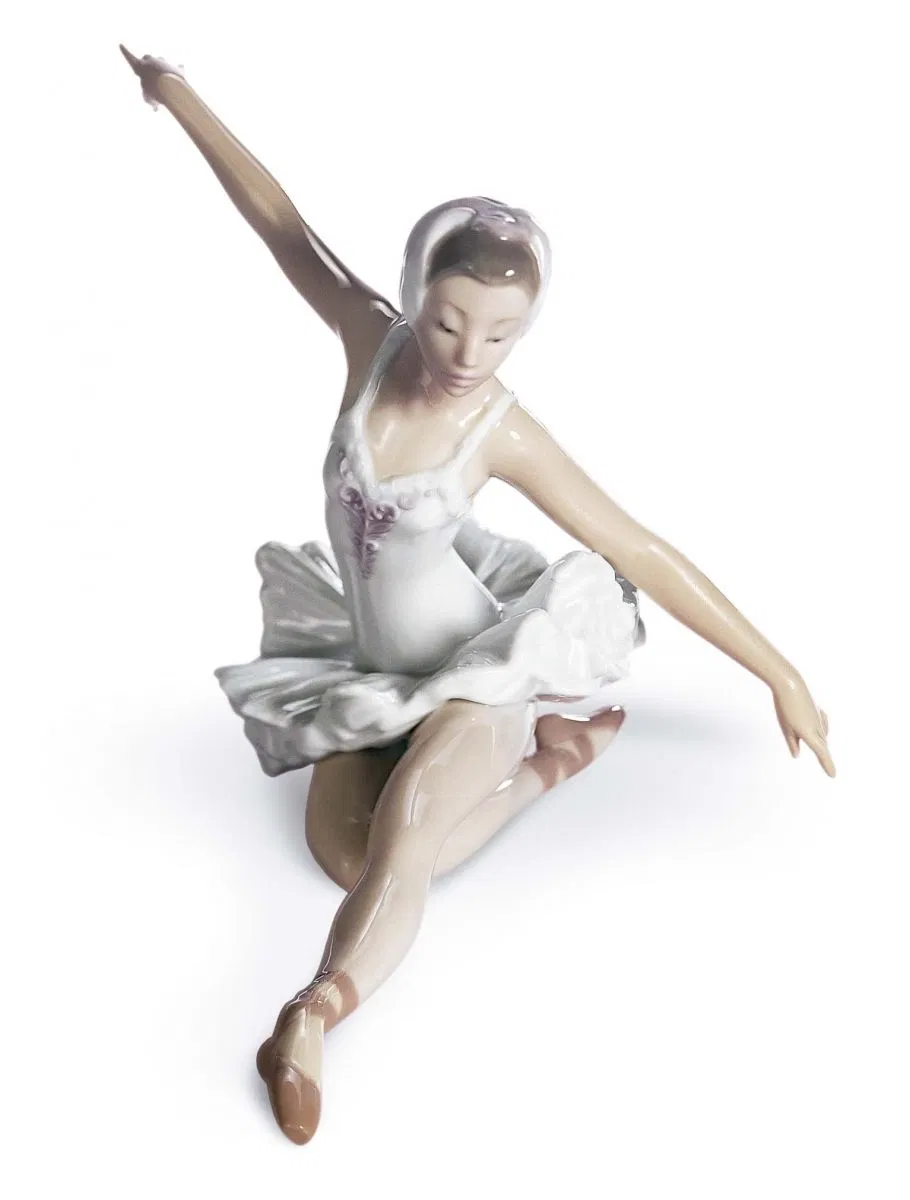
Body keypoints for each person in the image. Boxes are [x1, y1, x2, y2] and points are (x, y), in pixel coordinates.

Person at [120, 47, 836, 1146]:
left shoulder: (503, 429)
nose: (469, 352)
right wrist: (177, 97)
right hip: (377, 666)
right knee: (345, 859)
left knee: (406, 833)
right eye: (451, 321)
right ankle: (553, 765)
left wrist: (780, 670)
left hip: (473, 672)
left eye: (501, 334)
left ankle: (307, 1019)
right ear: (417, 296)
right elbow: (284, 229)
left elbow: (638, 547)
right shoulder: (370, 341)